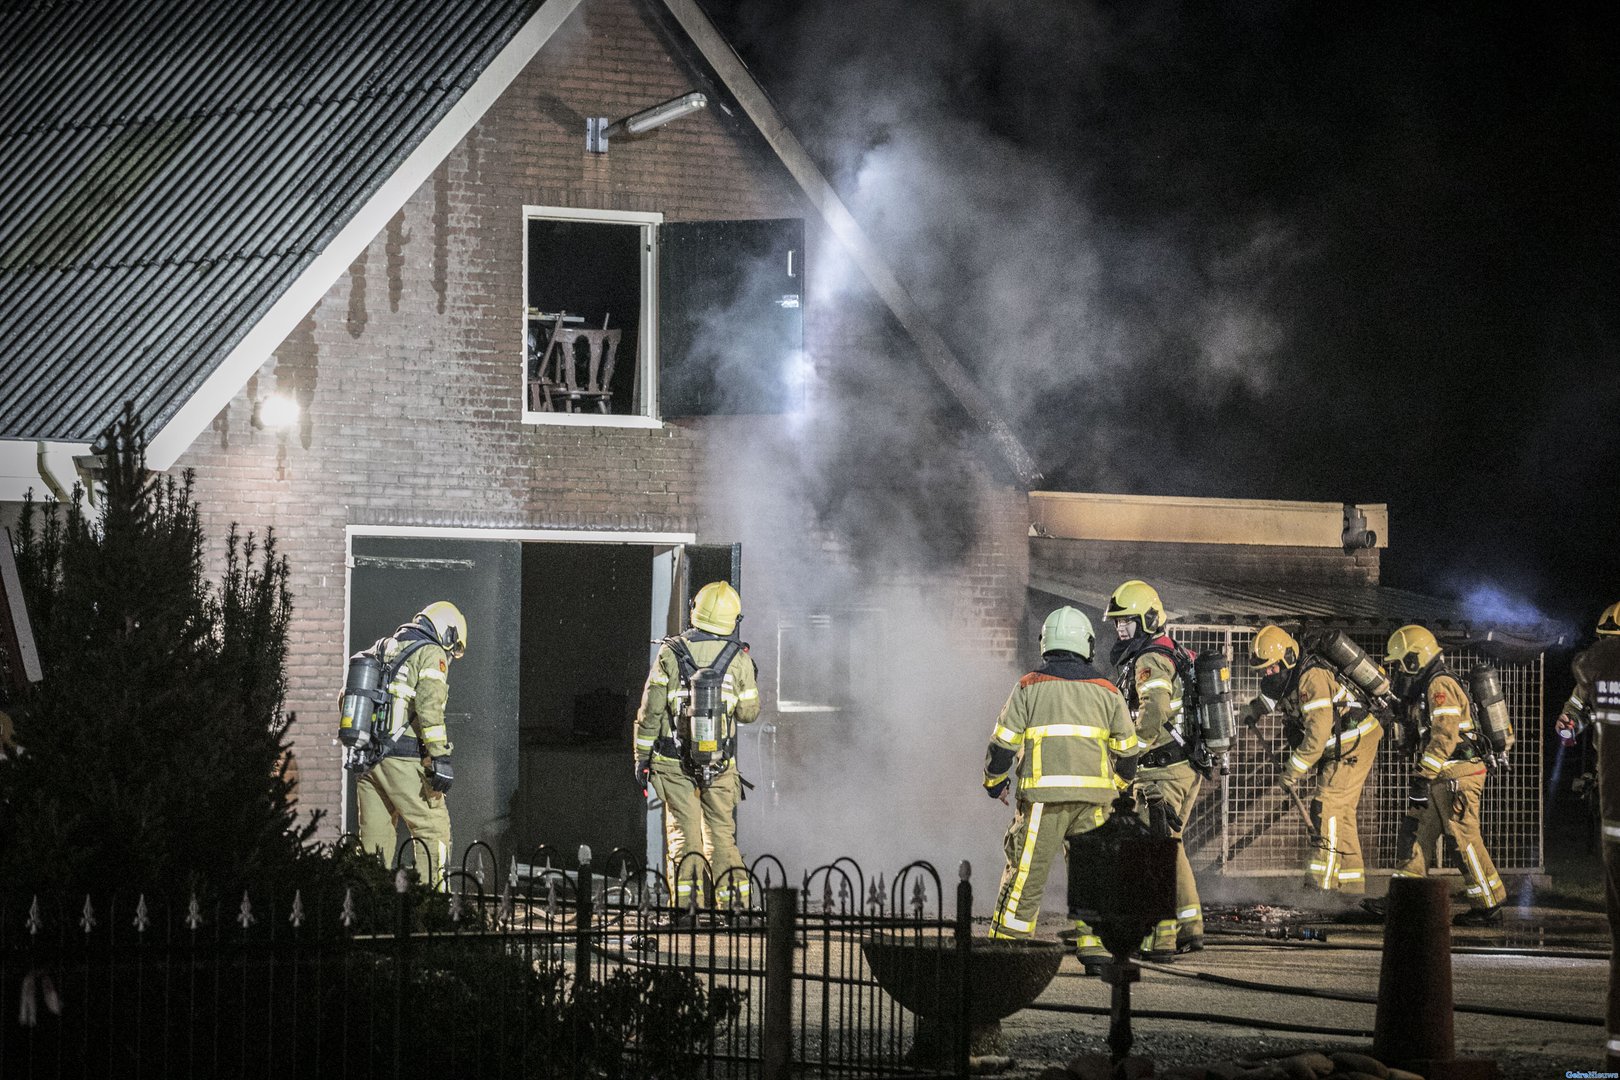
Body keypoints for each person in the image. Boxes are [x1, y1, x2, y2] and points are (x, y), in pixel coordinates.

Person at [983, 606, 1139, 972]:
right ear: (1087, 644)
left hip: (1042, 804)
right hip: (1095, 804)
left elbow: (1002, 746)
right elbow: (1128, 752)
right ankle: (1097, 952)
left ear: (1046, 643)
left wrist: (994, 783)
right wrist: (1117, 787)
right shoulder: (1108, 691)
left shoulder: (1028, 686)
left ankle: (1006, 954)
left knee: (1025, 877)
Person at [634, 581, 761, 912]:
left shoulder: (670, 653)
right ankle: (735, 909)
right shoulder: (739, 658)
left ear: (695, 609)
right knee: (721, 837)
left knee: (684, 836)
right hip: (719, 764)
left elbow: (650, 712)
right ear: (733, 618)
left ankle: (687, 910)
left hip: (673, 763)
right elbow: (749, 713)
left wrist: (642, 757)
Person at [1105, 579, 1205, 956]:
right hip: (1181, 767)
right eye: (1117, 623)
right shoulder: (1170, 651)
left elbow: (1155, 710)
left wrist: (1129, 753)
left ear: (1147, 619)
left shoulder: (1149, 659)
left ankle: (1158, 938)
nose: (1120, 629)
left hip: (1159, 773)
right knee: (1168, 846)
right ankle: (1190, 927)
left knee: (1151, 852)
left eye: (1127, 622)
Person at [1244, 625, 1383, 896]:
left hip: (1354, 743)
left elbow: (1316, 739)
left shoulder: (1312, 678)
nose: (1267, 675)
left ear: (1288, 659)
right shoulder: (1285, 678)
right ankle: (1352, 889)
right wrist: (1254, 710)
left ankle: (1322, 887)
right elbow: (1273, 698)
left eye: (1271, 668)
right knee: (1341, 814)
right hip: (1340, 746)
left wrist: (1291, 773)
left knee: (1326, 806)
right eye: (1263, 671)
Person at [1382, 623, 1505, 925]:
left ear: (1415, 659)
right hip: (1443, 775)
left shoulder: (1440, 685)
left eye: (1401, 664)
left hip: (1457, 775)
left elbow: (1444, 735)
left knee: (1462, 838)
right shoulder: (1429, 687)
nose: (1399, 671)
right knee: (1417, 832)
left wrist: (1423, 775)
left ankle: (1489, 905)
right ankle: (1403, 898)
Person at [355, 601, 465, 890]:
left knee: (373, 843)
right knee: (432, 828)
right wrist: (440, 758)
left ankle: (367, 905)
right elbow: (429, 709)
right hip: (404, 760)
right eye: (453, 646)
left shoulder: (384, 647)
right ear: (448, 631)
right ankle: (432, 903)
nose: (450, 654)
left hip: (369, 761)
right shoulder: (431, 653)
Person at [1555, 602, 1620, 1069]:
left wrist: (1569, 724)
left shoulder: (1594, 668)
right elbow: (1574, 714)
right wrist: (1569, 724)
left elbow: (1578, 709)